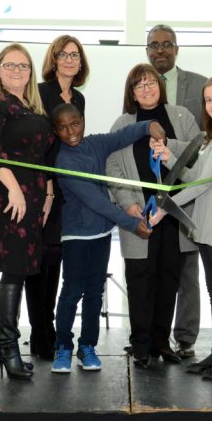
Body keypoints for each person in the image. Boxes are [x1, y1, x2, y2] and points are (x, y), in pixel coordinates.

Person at [50, 104, 165, 373]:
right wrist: (131, 223)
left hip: (101, 234)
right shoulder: (63, 161)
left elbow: (122, 135)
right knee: (72, 291)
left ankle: (87, 346)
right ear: (56, 131)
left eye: (75, 124)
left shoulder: (97, 143)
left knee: (94, 292)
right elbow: (95, 202)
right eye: (63, 128)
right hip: (77, 235)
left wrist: (147, 126)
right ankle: (63, 347)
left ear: (83, 121)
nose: (70, 132)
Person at [150, 75, 212, 379]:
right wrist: (168, 158)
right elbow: (196, 176)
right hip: (207, 222)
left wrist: (165, 209)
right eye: (209, 99)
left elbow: (203, 183)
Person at [107, 63, 200, 368]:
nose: (146, 90)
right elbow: (113, 169)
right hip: (139, 215)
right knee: (140, 280)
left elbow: (197, 152)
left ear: (161, 86)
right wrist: (128, 205)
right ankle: (141, 344)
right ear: (131, 92)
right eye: (139, 85)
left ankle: (162, 341)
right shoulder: (122, 123)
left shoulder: (181, 116)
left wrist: (166, 145)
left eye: (151, 83)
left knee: (169, 278)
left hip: (174, 213)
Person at [0, 43, 55, 380]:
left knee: (22, 269)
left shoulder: (31, 107)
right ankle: (8, 344)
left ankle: (5, 342)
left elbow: (42, 156)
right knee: (13, 268)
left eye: (23, 66)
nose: (17, 71)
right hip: (5, 193)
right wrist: (13, 189)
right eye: (10, 65)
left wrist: (47, 192)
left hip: (34, 193)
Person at [24, 35, 89, 360]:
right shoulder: (39, 91)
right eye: (63, 54)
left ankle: (49, 331)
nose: (68, 59)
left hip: (67, 188)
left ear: (80, 62)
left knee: (56, 258)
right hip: (41, 185)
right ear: (54, 58)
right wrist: (48, 184)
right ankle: (40, 333)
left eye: (74, 55)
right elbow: (38, 144)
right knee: (38, 262)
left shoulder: (78, 97)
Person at [146, 24, 207, 358]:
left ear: (177, 48)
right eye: (154, 44)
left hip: (189, 190)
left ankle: (185, 337)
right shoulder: (139, 83)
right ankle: (150, 334)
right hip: (149, 193)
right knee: (152, 266)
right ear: (146, 50)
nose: (160, 50)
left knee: (186, 267)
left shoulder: (198, 86)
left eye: (167, 44)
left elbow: (206, 138)